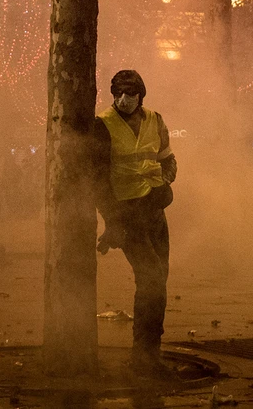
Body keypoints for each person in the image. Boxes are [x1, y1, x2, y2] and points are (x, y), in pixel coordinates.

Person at [94, 70, 178, 377]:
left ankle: (148, 353)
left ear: (141, 94)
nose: (123, 99)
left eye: (130, 93)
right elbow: (99, 182)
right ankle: (144, 358)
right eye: (118, 93)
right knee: (152, 280)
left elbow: (168, 160)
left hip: (154, 211)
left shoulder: (155, 120)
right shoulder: (102, 125)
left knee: (158, 281)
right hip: (128, 215)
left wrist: (163, 184)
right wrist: (113, 222)